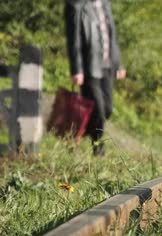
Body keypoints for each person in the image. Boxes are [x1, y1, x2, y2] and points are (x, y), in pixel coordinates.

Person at [64, 0, 126, 156]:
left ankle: (81, 131)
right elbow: (74, 40)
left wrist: (118, 64)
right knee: (98, 109)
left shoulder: (105, 4)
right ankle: (98, 146)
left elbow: (112, 36)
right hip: (89, 67)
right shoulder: (75, 5)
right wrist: (76, 70)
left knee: (108, 109)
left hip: (107, 66)